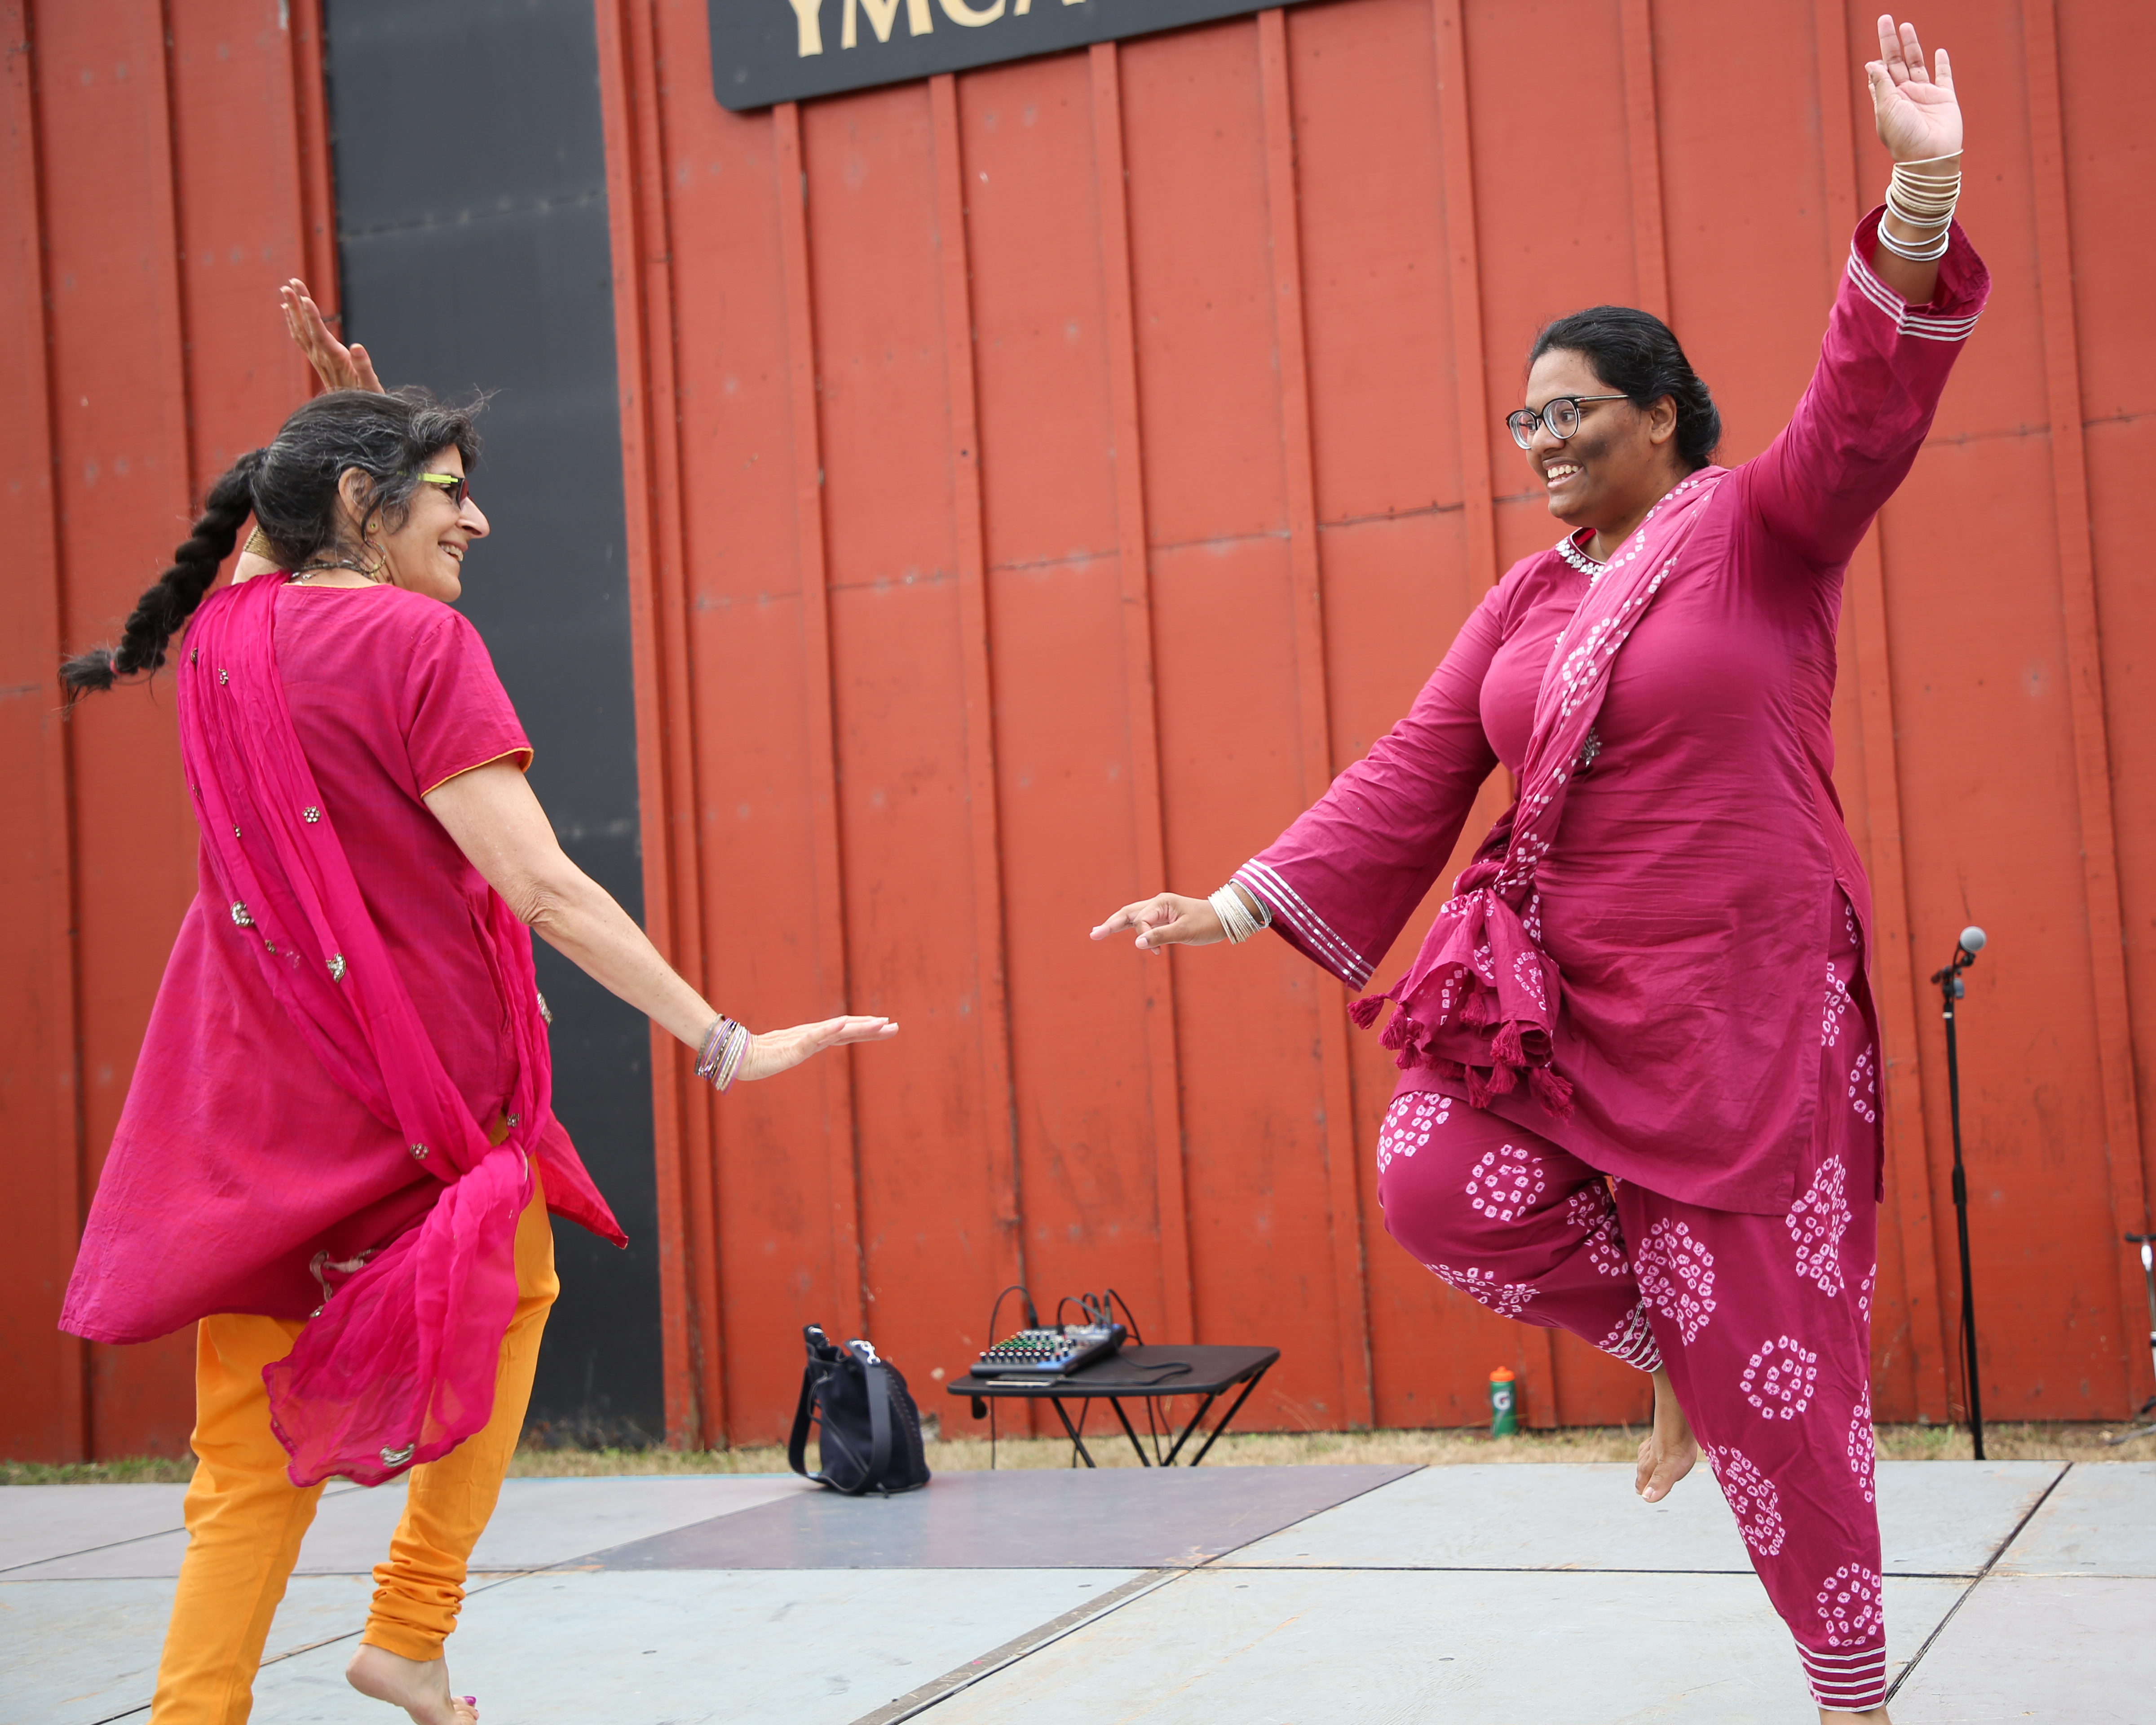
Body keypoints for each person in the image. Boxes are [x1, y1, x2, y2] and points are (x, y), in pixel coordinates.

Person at [1090, 18, 1979, 1721]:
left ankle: (1852, 1692)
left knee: (1786, 1389)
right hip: (1569, 997)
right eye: (1526, 417)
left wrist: (1921, 187)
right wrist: (1226, 904)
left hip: (1744, 1007)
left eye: (1573, 412)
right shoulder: (1528, 594)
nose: (1544, 440)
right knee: (1436, 1181)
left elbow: (1866, 414)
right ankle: (1682, 1358)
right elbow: (1419, 770)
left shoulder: (1763, 531)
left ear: (1663, 417)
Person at [57, 299, 897, 1725]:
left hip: (251, 1111)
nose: (480, 524)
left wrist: (352, 426)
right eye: (452, 493)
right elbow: (544, 890)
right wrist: (727, 1040)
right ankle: (411, 1627)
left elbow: (273, 541)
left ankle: (197, 1712)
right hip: (416, 1109)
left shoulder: (217, 641)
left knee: (242, 1460)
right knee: (512, 1295)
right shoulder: (416, 650)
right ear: (358, 504)